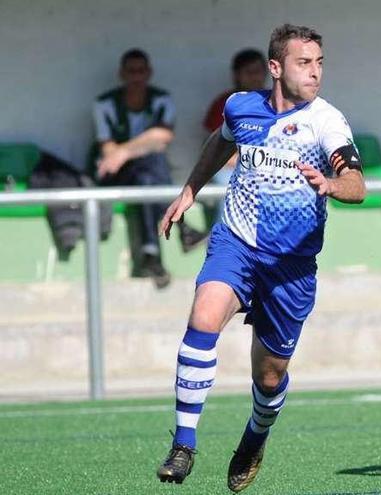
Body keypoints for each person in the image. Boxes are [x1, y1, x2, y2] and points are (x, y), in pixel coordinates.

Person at [155, 24, 365, 492]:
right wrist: (190, 191)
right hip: (237, 241)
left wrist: (331, 184)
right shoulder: (240, 107)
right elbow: (220, 141)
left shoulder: (326, 122)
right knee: (204, 315)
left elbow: (357, 183)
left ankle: (255, 435)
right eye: (303, 63)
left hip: (290, 266)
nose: (315, 73)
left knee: (269, 377)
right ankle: (184, 443)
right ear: (276, 68)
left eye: (319, 63)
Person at [92, 49, 207, 289]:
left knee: (148, 174)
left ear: (149, 73)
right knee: (153, 159)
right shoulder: (104, 103)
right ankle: (182, 226)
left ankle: (151, 257)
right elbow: (108, 152)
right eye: (131, 71)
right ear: (121, 74)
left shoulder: (161, 99)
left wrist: (126, 151)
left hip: (146, 175)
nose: (136, 77)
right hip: (113, 174)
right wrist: (140, 146)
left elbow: (163, 136)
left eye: (141, 71)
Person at [201, 49, 269, 223]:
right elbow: (214, 150)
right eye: (249, 72)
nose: (255, 77)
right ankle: (224, 244)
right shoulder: (226, 103)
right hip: (230, 168)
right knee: (228, 187)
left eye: (259, 71)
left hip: (269, 167)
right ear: (236, 75)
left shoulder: (276, 102)